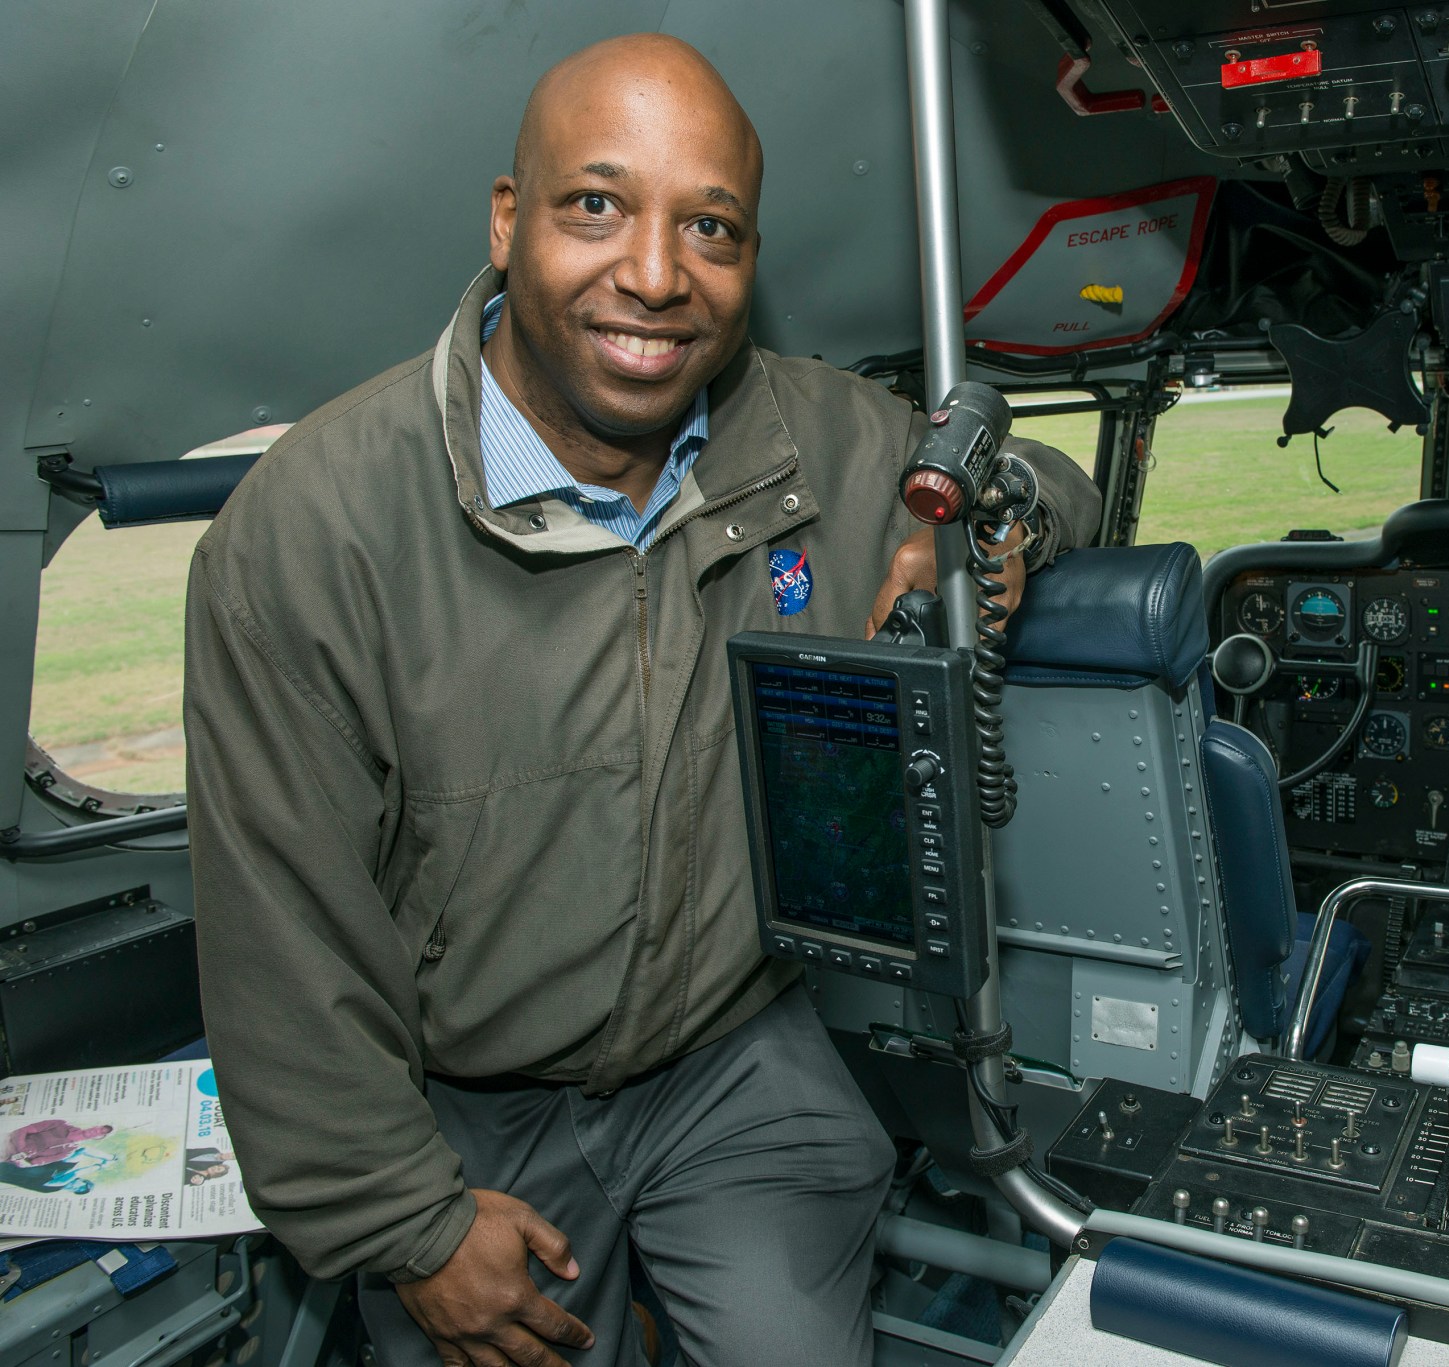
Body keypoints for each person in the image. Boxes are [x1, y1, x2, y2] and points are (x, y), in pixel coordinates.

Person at [183, 32, 1098, 1367]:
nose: (656, 276)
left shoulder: (819, 440)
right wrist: (410, 1225)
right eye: (595, 206)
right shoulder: (317, 528)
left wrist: (992, 535)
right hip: (465, 1104)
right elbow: (283, 942)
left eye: (711, 228)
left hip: (734, 1054)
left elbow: (1038, 471)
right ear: (507, 222)